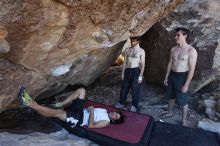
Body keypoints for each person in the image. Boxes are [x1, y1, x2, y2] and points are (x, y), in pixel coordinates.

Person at [17, 87, 124, 129]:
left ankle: (29, 103)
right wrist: (90, 109)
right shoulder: (104, 110)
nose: (114, 114)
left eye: (116, 116)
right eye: (116, 113)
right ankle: (61, 103)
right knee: (82, 91)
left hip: (79, 119)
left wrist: (91, 112)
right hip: (81, 111)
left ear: (114, 120)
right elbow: (91, 110)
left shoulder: (105, 122)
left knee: (57, 113)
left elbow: (91, 126)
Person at [161, 27, 197, 126]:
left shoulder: (191, 51)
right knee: (170, 95)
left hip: (182, 76)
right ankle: (169, 112)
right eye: (175, 35)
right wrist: (166, 76)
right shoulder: (173, 49)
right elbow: (170, 63)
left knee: (183, 100)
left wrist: (186, 85)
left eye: (178, 35)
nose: (175, 37)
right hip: (172, 75)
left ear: (185, 36)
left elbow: (192, 69)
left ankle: (184, 120)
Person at [115, 36, 145, 112]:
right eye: (132, 41)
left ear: (138, 41)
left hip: (136, 71)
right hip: (128, 70)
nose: (132, 42)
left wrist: (140, 76)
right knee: (124, 88)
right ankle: (121, 102)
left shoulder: (141, 51)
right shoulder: (127, 50)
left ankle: (134, 106)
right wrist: (122, 73)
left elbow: (143, 64)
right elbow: (124, 62)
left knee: (135, 89)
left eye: (134, 41)